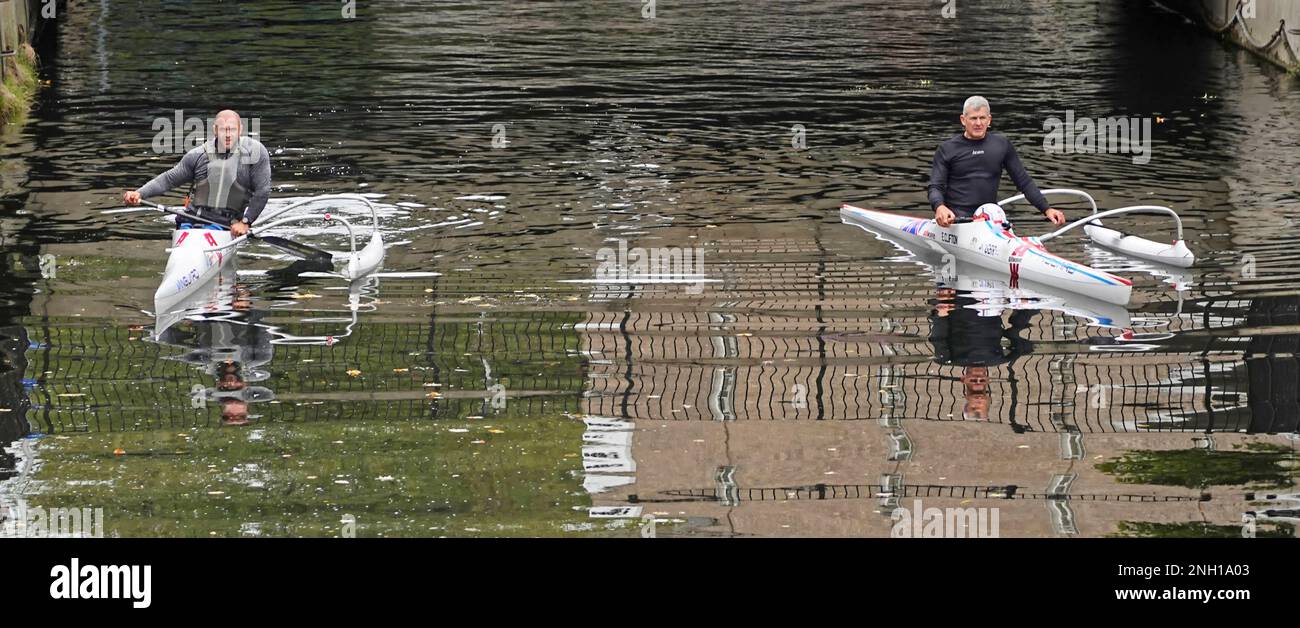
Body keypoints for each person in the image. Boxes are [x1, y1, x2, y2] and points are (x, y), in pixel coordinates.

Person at [123, 110, 270, 238]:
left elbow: (262, 191)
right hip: (191, 219)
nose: (227, 135)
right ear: (215, 130)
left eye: (231, 129)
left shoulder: (255, 153)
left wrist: (245, 222)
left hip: (227, 225)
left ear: (240, 130)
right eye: (223, 130)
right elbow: (168, 180)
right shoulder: (198, 155)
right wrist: (139, 193)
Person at [927, 96, 1066, 228]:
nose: (978, 123)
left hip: (990, 217)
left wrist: (1046, 209)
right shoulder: (947, 149)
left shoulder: (1002, 145)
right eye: (973, 118)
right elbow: (935, 187)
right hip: (955, 220)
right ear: (963, 120)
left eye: (982, 118)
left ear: (989, 120)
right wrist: (940, 207)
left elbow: (1024, 182)